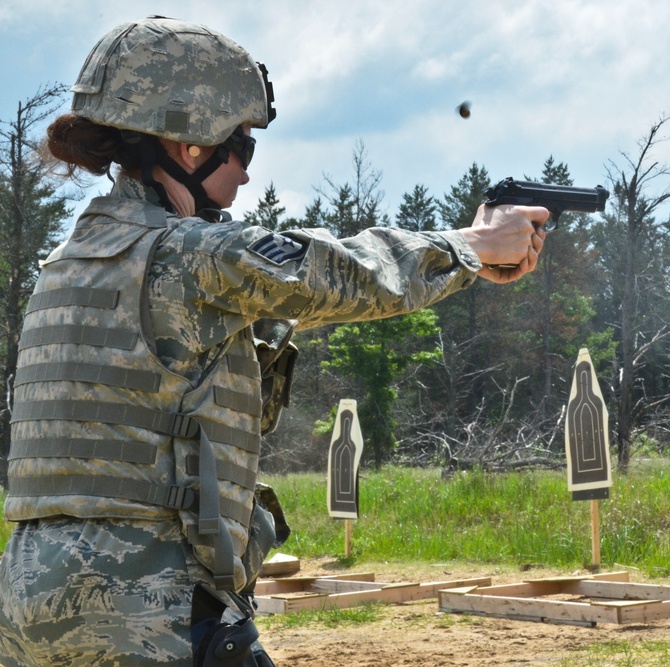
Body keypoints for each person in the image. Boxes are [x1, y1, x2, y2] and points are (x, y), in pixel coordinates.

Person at [0, 16, 546, 667]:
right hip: (146, 608)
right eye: (243, 148)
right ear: (190, 146)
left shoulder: (67, 265)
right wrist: (473, 247)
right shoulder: (184, 254)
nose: (248, 176)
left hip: (31, 611)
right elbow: (337, 271)